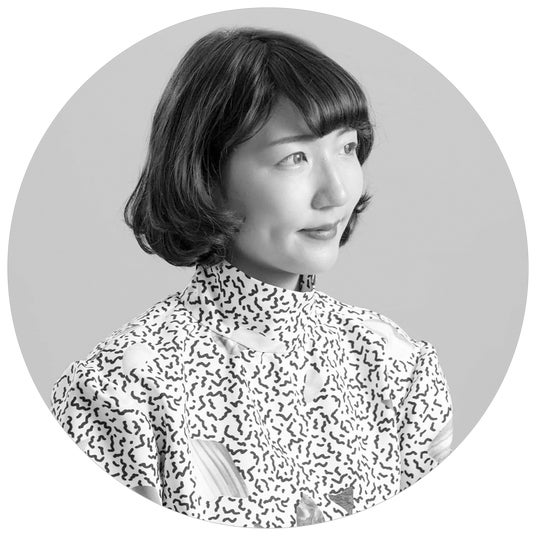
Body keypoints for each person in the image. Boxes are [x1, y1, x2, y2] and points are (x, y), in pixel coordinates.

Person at [50, 27, 453, 528]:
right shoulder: (121, 393)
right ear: (206, 176)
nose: (336, 192)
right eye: (294, 158)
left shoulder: (396, 366)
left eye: (347, 147)